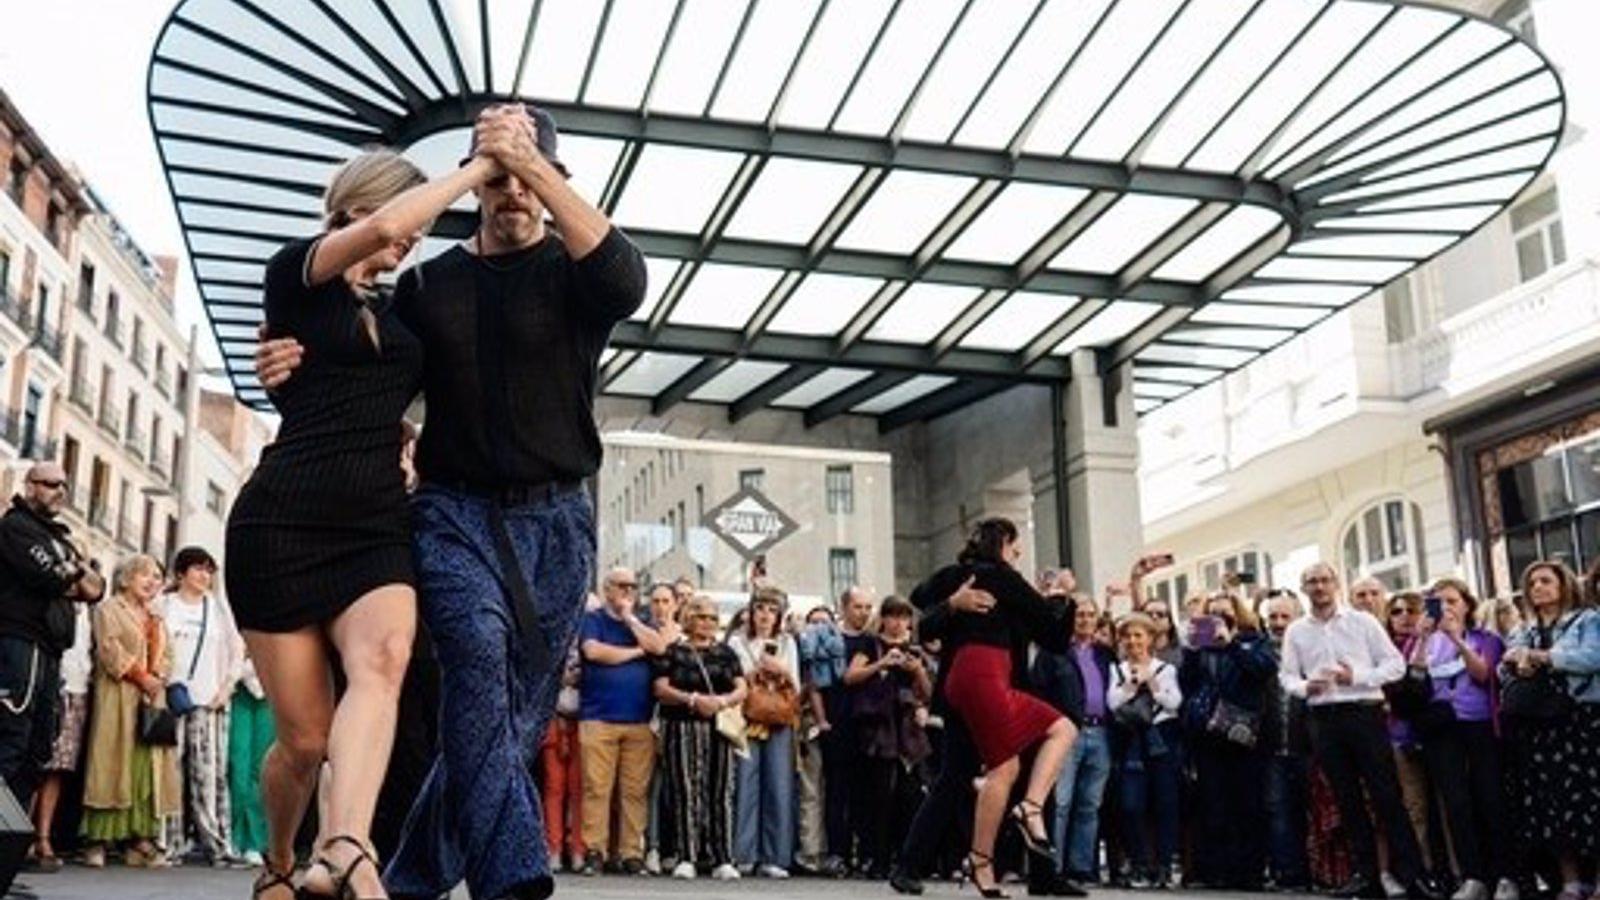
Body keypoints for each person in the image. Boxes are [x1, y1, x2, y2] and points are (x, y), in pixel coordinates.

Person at [230, 145, 500, 900]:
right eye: (408, 218)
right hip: (282, 523)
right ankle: (278, 861)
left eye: (421, 228)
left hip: (376, 522)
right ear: (360, 205)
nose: (412, 238)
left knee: (385, 658)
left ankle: (346, 848)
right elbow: (384, 226)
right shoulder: (297, 272)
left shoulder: (401, 307)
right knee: (304, 740)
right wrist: (480, 167)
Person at [915, 518, 1077, 898]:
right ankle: (1019, 821)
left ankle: (993, 861)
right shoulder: (1004, 578)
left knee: (1010, 766)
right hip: (984, 678)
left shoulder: (959, 575)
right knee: (1023, 756)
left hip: (981, 681)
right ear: (1004, 542)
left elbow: (920, 597)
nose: (1019, 551)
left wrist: (951, 602)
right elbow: (1056, 636)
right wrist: (1061, 595)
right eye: (1016, 543)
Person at [1280, 563, 1442, 900]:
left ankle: (1413, 876)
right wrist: (1305, 687)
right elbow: (1287, 676)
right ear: (1304, 588)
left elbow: (1395, 665)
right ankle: (1367, 876)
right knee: (1347, 799)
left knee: (1387, 795)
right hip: (1323, 717)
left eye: (1325, 580)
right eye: (1312, 582)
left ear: (1336, 584)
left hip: (1363, 712)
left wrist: (1357, 677)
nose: (1319, 587)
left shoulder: (1363, 622)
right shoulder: (1297, 631)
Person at [0, 463, 105, 811]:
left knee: (39, 748)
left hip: (51, 649)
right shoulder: (17, 526)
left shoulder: (59, 537)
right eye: (50, 484)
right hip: (21, 642)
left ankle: (11, 831)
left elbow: (96, 590)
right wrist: (75, 571)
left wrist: (74, 572)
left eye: (64, 485)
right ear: (30, 486)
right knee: (13, 737)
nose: (60, 491)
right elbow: (51, 576)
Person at [1501, 561, 1599, 900]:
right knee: (1549, 803)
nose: (1538, 588)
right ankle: (1569, 881)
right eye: (1532, 583)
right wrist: (1517, 665)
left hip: (1579, 721)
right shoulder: (1523, 629)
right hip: (1537, 726)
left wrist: (1543, 657)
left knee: (1590, 799)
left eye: (1545, 580)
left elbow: (1592, 657)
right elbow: (1503, 669)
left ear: (1563, 585)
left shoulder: (1587, 620)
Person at [79, 555, 181, 868]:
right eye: (144, 575)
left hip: (150, 699)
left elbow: (169, 653)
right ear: (126, 578)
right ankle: (97, 839)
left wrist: (159, 676)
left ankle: (139, 838)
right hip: (119, 694)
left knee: (145, 768)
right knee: (110, 763)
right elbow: (109, 649)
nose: (152, 582)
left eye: (156, 577)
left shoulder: (156, 616)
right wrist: (141, 676)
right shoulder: (109, 609)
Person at [1412, 578, 1505, 900]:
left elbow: (1483, 674)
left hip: (1479, 725)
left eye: (1452, 601)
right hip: (1441, 729)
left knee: (1490, 798)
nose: (1446, 608)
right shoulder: (1426, 641)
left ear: (1467, 605)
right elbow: (1414, 681)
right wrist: (1423, 639)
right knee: (1456, 802)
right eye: (1438, 603)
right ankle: (1473, 876)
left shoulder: (1485, 639)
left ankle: (1504, 874)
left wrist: (1456, 639)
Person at [1179, 592, 1277, 891]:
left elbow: (1263, 670)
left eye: (1225, 613)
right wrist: (1192, 650)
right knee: (1214, 803)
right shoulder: (1202, 648)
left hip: (1243, 732)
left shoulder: (1254, 641)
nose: (1219, 619)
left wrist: (1231, 644)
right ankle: (1218, 870)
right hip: (1209, 733)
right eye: (1213, 614)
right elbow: (1187, 684)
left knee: (1249, 802)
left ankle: (1250, 871)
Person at [577, 567, 668, 875]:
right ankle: (595, 850)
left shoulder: (641, 622)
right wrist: (637, 652)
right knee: (596, 788)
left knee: (634, 791)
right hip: (598, 716)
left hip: (638, 719)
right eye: (621, 586)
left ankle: (631, 852)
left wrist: (630, 619)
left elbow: (658, 647)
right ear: (607, 589)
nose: (628, 591)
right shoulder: (593, 620)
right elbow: (594, 652)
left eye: (632, 586)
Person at [652, 596, 748, 881]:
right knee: (684, 789)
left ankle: (723, 857)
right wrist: (693, 699)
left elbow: (742, 687)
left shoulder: (726, 654)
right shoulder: (673, 651)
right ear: (688, 619)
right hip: (681, 724)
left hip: (719, 727)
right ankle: (686, 856)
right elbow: (660, 688)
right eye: (701, 617)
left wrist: (721, 701)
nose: (707, 623)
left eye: (712, 618)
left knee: (721, 791)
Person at [160, 546, 246, 865]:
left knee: (209, 775)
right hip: (168, 698)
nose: (204, 576)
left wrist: (226, 687)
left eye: (209, 570)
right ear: (181, 573)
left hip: (209, 700)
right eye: (198, 569)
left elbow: (236, 650)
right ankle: (168, 842)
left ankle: (216, 843)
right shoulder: (164, 605)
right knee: (169, 771)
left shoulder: (218, 609)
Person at [845, 594, 931, 882]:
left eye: (903, 617)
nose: (897, 623)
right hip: (879, 727)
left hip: (907, 728)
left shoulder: (914, 649)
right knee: (879, 795)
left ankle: (903, 857)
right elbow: (851, 676)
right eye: (892, 616)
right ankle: (877, 858)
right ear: (882, 619)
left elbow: (928, 693)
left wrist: (917, 670)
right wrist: (881, 663)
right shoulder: (870, 644)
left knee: (910, 795)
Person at [1031, 595, 1115, 884]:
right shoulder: (1053, 651)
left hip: (1101, 733)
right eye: (1079, 615)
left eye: (1090, 615)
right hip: (1066, 733)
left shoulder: (1105, 654)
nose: (1085, 620)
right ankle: (1052, 866)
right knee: (1061, 802)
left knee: (1090, 803)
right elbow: (1038, 692)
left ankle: (1081, 866)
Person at [727, 586, 802, 878]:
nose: (765, 615)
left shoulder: (787, 643)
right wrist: (756, 670)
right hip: (747, 716)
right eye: (760, 608)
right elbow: (732, 679)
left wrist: (780, 669)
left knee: (778, 785)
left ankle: (775, 856)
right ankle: (744, 853)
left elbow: (796, 685)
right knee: (746, 783)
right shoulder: (737, 642)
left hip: (779, 717)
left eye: (772, 610)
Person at [1107, 613, 1182, 888]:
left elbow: (1174, 702)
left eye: (1138, 635)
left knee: (1165, 803)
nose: (1133, 641)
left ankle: (1163, 866)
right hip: (1131, 741)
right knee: (1131, 805)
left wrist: (1152, 683)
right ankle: (1139, 863)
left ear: (1150, 639)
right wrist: (1130, 685)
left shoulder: (1166, 669)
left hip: (1161, 739)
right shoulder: (1116, 669)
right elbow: (1112, 702)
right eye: (1127, 636)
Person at [30, 598, 92, 872]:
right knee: (35, 763)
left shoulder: (86, 607)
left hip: (78, 686)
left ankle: (43, 836)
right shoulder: (50, 598)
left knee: (59, 767)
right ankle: (22, 835)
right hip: (49, 681)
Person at [1258, 590, 1312, 892]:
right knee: (1277, 810)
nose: (1278, 623)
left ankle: (1312, 870)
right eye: (1273, 617)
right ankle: (1287, 873)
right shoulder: (1260, 653)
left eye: (1284, 616)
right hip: (1271, 746)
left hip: (1307, 744)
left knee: (1309, 809)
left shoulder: (1310, 649)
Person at [228, 652, 273, 867]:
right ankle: (233, 836)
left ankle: (256, 841)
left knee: (261, 768)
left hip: (271, 696)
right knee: (238, 767)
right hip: (238, 692)